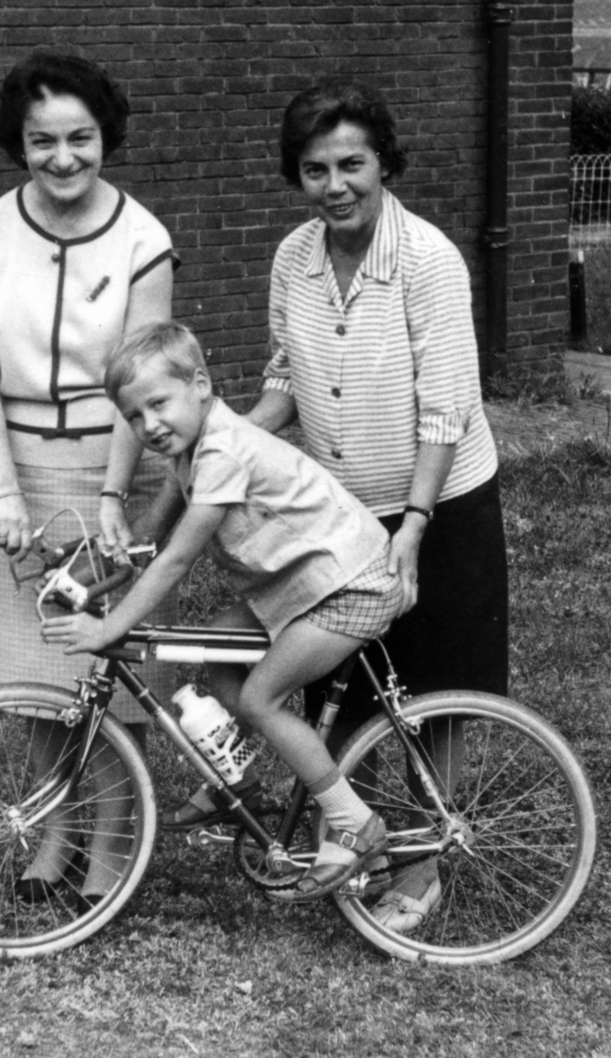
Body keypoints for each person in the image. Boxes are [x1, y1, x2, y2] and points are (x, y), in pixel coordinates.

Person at [245, 79, 509, 932]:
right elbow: (284, 378)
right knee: (349, 686)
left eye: (352, 164)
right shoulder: (294, 257)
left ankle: (426, 861)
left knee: (436, 685)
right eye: (315, 169)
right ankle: (354, 835)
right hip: (344, 509)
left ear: (383, 164)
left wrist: (417, 528)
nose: (335, 185)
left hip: (441, 502)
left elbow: (446, 408)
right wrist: (228, 448)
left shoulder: (427, 258)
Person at [42, 321, 403, 901]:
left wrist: (109, 626)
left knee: (259, 699)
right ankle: (241, 784)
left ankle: (356, 823)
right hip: (300, 583)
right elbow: (148, 543)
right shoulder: (189, 452)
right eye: (134, 417)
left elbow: (178, 558)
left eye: (158, 404)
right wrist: (81, 570)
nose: (149, 425)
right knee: (215, 649)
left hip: (350, 584)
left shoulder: (225, 449)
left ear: (202, 385)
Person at [0, 52, 177, 904]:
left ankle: (115, 842)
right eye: (41, 141)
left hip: (105, 466)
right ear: (18, 142)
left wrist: (116, 499)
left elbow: (143, 382)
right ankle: (56, 829)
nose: (62, 158)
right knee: (30, 674)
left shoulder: (144, 239)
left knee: (110, 674)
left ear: (105, 137)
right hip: (20, 476)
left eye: (79, 139)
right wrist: (3, 485)